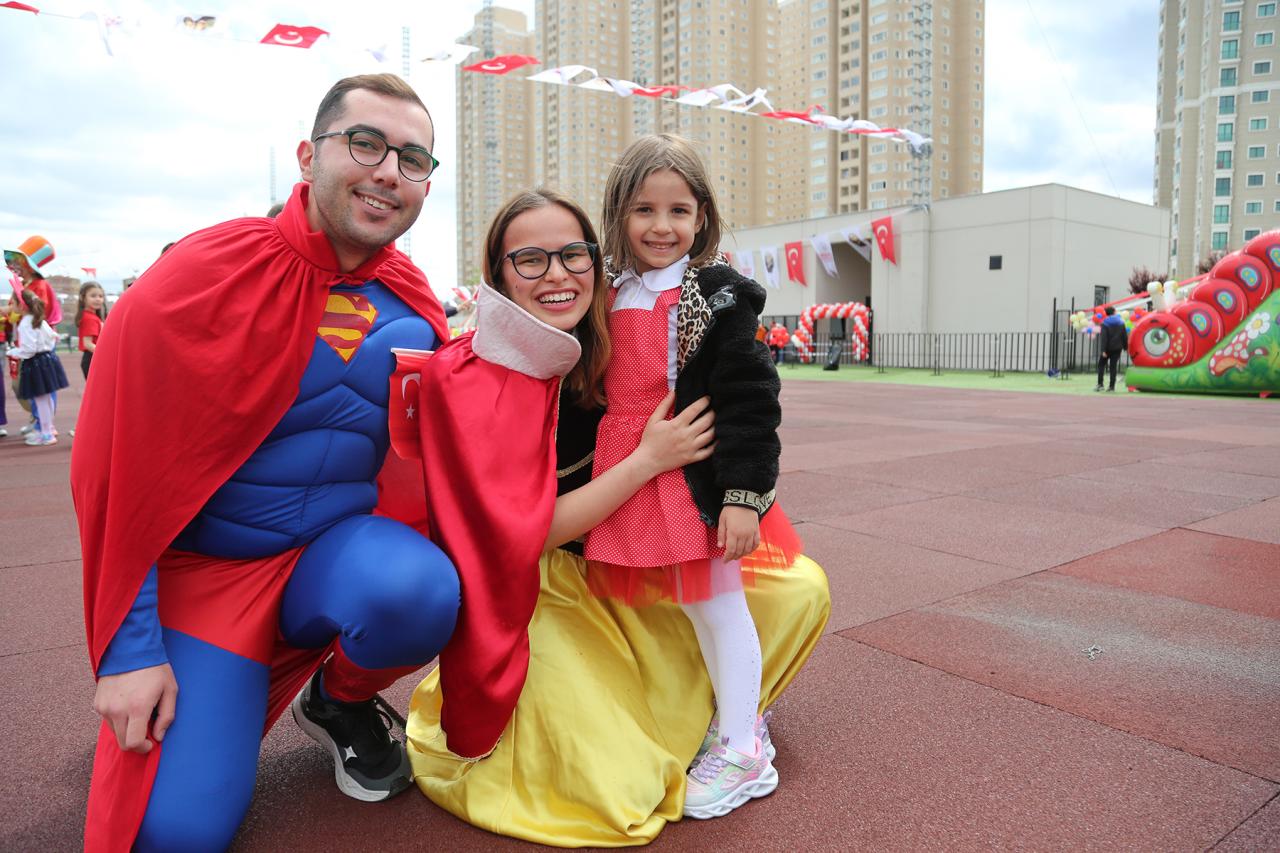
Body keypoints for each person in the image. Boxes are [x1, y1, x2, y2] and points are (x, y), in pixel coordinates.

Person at [71, 73, 460, 852]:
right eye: (366, 144)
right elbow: (115, 465)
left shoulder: (414, 298)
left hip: (333, 560)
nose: (389, 171)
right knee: (175, 834)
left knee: (420, 591)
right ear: (308, 156)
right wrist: (129, 650)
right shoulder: (202, 274)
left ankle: (339, 699)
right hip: (206, 576)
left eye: (413, 158)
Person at [405, 188, 829, 845]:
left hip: (620, 549)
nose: (557, 274)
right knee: (611, 782)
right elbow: (530, 534)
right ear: (497, 272)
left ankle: (737, 728)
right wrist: (648, 459)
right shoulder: (474, 376)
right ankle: (711, 721)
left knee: (794, 589)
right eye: (530, 259)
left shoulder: (605, 323)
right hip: (541, 584)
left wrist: (736, 492)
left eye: (573, 255)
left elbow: (737, 393)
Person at [584, 133, 801, 819]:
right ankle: (735, 718)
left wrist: (744, 497)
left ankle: (742, 747)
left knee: (717, 605)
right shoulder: (607, 290)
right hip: (635, 471)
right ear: (619, 213)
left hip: (693, 481)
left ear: (702, 215)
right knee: (692, 607)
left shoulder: (713, 293)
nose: (662, 226)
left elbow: (750, 398)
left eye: (679, 210)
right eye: (644, 210)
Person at [8, 291, 68, 446]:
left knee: (41, 400)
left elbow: (29, 350)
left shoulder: (25, 323)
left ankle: (46, 434)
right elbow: (54, 337)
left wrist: (14, 352)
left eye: (13, 303)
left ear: (21, 306)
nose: (11, 306)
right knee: (47, 399)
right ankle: (49, 429)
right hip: (47, 361)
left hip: (36, 364)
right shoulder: (38, 319)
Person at [76, 281, 106, 380]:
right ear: (82, 297)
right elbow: (88, 344)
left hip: (93, 358)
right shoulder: (89, 318)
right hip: (92, 358)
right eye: (93, 296)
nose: (98, 299)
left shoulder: (92, 317)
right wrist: (106, 353)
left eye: (100, 296)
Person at [1096, 306, 1126, 392]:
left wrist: (1103, 350)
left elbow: (1104, 337)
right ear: (1114, 312)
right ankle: (1111, 387)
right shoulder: (1121, 322)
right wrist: (1125, 347)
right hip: (1117, 348)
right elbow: (1124, 335)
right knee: (1113, 367)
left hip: (1107, 348)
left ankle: (1100, 384)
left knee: (1101, 365)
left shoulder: (1105, 323)